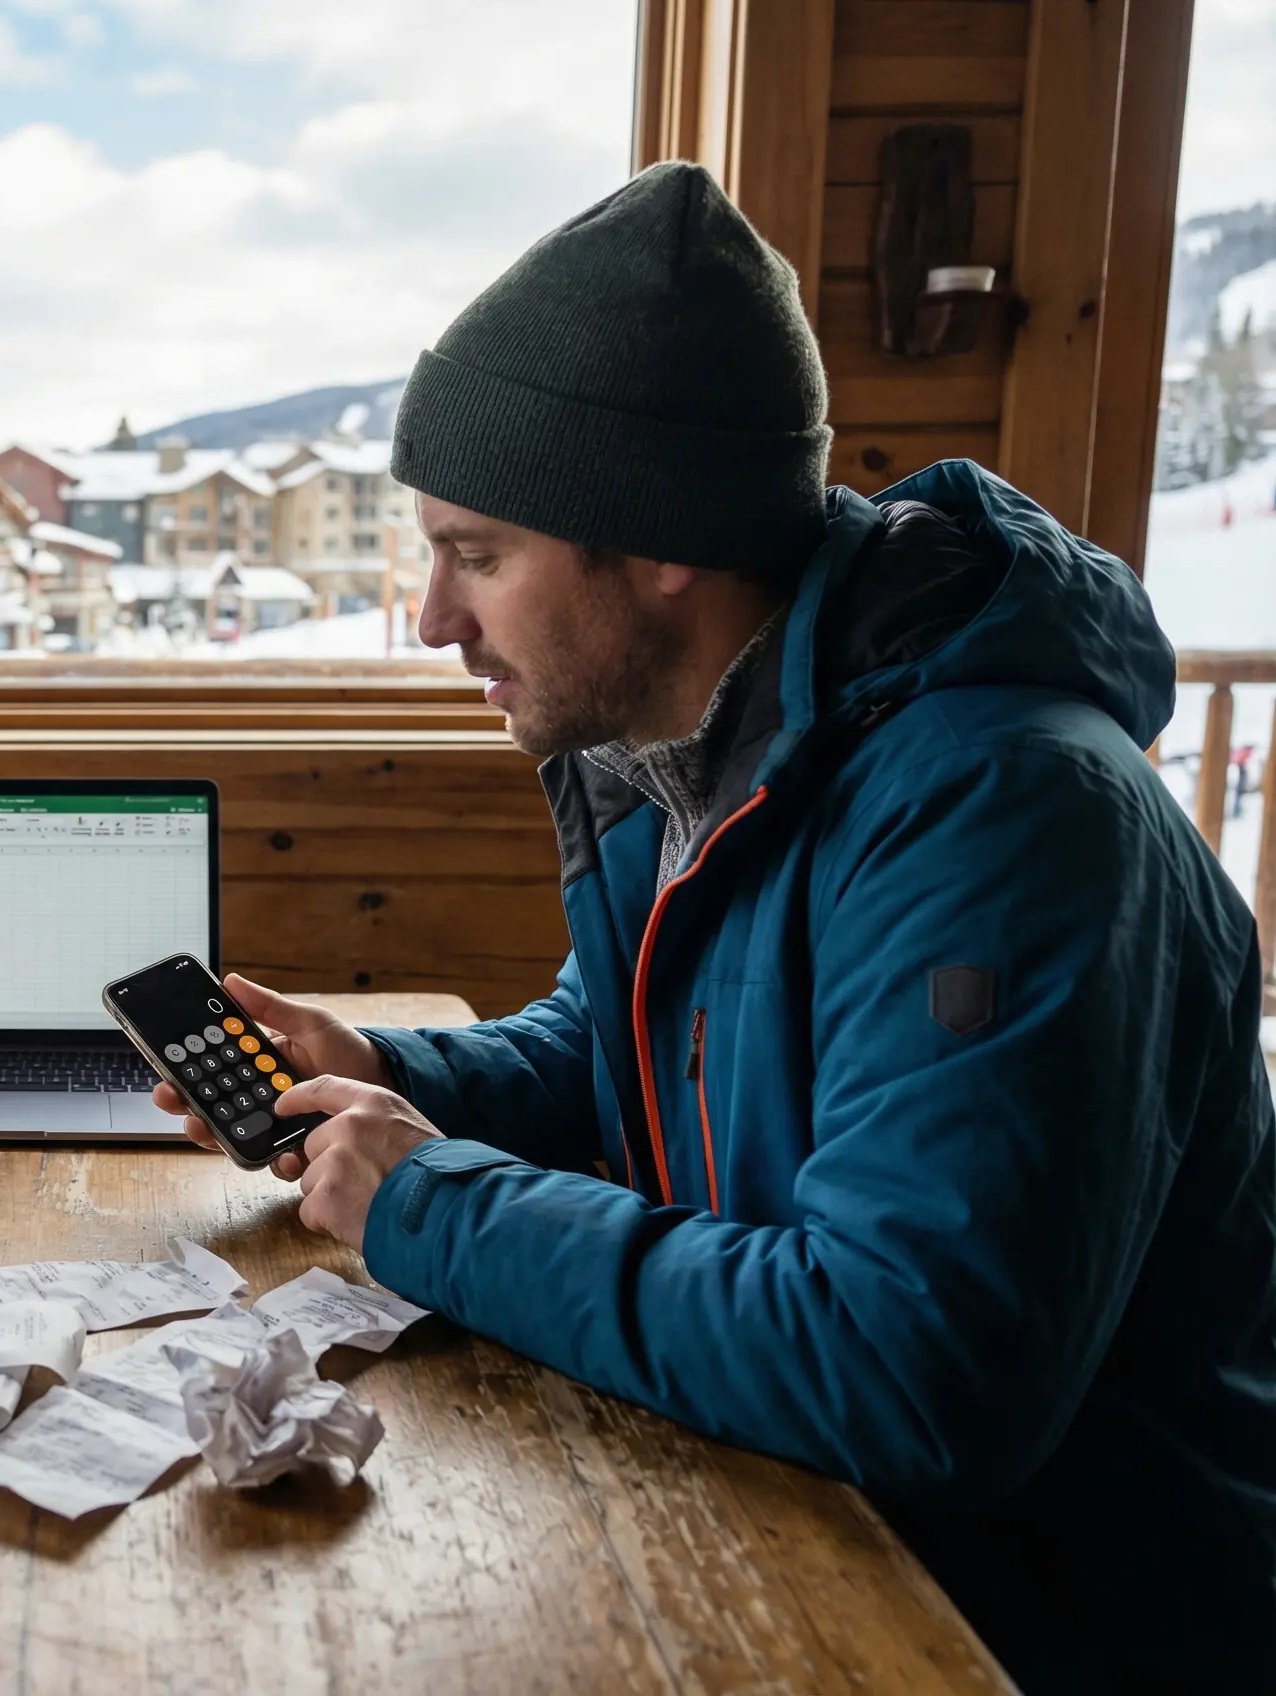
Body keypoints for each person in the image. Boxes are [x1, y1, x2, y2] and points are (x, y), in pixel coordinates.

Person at [164, 163, 1276, 1692]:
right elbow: (628, 1048)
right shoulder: (681, 747)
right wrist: (394, 1070)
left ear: (661, 537)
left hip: (1028, 1626)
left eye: (477, 553)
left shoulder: (1007, 820)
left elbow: (905, 1365)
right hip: (802, 1521)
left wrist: (431, 1203)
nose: (433, 618)